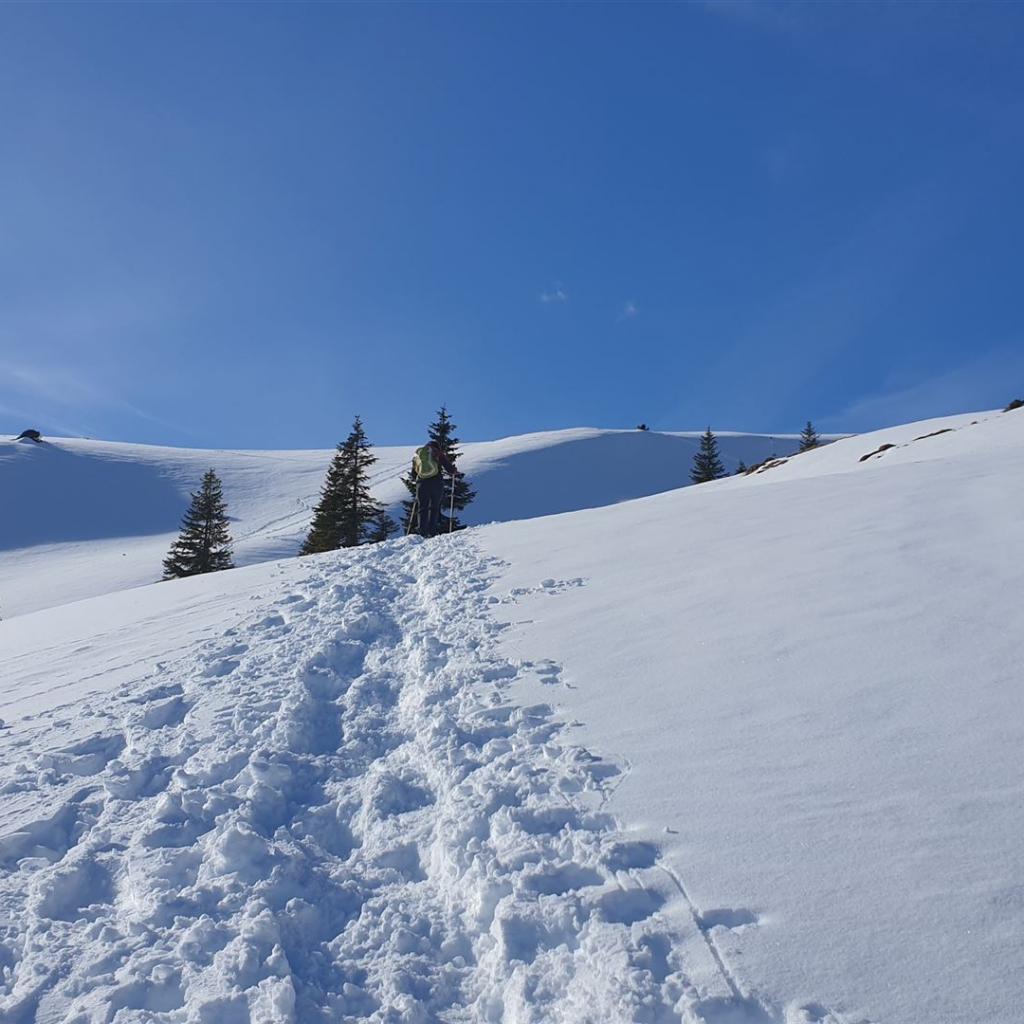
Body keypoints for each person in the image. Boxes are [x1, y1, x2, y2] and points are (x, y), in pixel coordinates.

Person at [411, 440, 457, 538]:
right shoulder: (437, 453)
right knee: (434, 507)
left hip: (422, 483)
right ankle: (432, 531)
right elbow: (449, 468)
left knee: (422, 507)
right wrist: (453, 471)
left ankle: (422, 531)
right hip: (436, 482)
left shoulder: (418, 455)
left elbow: (413, 473)